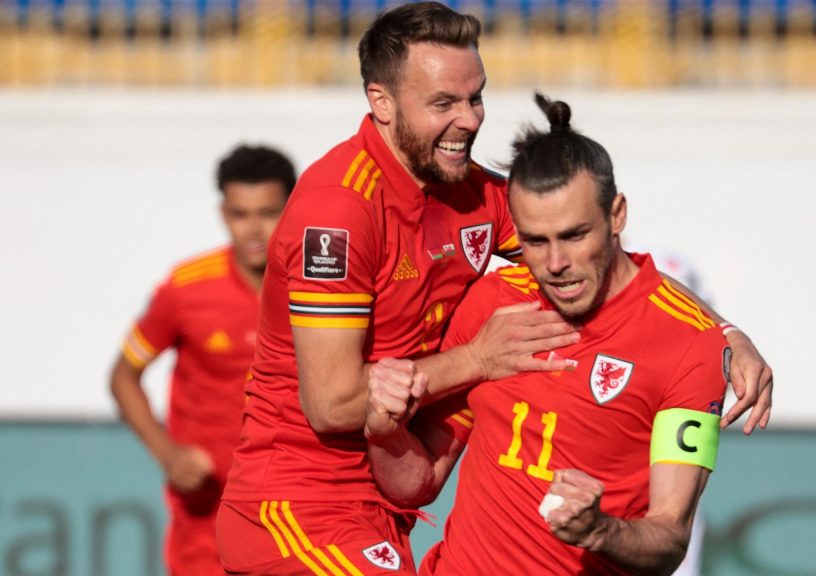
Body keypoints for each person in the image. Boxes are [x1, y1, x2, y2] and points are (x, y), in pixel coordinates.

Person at [217, 3, 772, 575]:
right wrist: (477, 360)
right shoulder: (339, 211)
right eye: (443, 104)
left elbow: (608, 262)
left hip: (380, 510)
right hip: (297, 503)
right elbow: (332, 405)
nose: (468, 120)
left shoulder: (473, 194)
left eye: (475, 97)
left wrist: (724, 332)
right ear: (381, 102)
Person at [365, 95, 730, 575]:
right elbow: (419, 481)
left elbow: (670, 537)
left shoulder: (692, 346)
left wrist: (599, 529)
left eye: (574, 236)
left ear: (617, 215)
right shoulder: (493, 302)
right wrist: (384, 430)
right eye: (535, 241)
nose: (555, 263)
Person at [109, 144, 296, 576]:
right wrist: (167, 454)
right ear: (223, 213)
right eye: (240, 214)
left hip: (295, 505)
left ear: (293, 209)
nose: (254, 229)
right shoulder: (186, 289)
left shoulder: (324, 286)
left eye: (268, 213)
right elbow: (123, 376)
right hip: (209, 511)